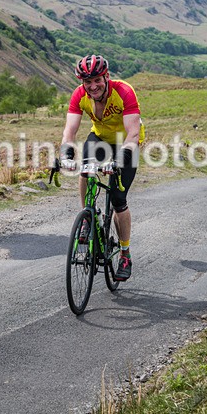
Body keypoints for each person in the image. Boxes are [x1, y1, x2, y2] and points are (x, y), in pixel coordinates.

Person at [60, 54, 143, 281]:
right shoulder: (79, 95)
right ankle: (87, 217)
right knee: (85, 169)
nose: (92, 86)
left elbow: (133, 134)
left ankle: (125, 253)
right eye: (87, 82)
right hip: (99, 139)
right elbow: (70, 131)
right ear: (82, 83)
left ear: (106, 77)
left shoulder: (124, 92)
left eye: (97, 80)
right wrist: (66, 154)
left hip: (126, 143)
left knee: (118, 199)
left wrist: (118, 160)